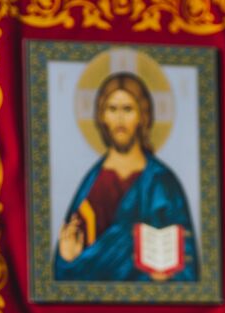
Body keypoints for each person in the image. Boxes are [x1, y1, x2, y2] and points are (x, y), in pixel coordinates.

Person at [54, 72, 198, 282]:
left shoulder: (162, 183)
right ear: (102, 116)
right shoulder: (92, 182)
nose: (120, 118)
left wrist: (166, 276)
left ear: (142, 116)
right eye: (112, 109)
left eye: (128, 109)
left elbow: (188, 270)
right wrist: (68, 260)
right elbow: (64, 274)